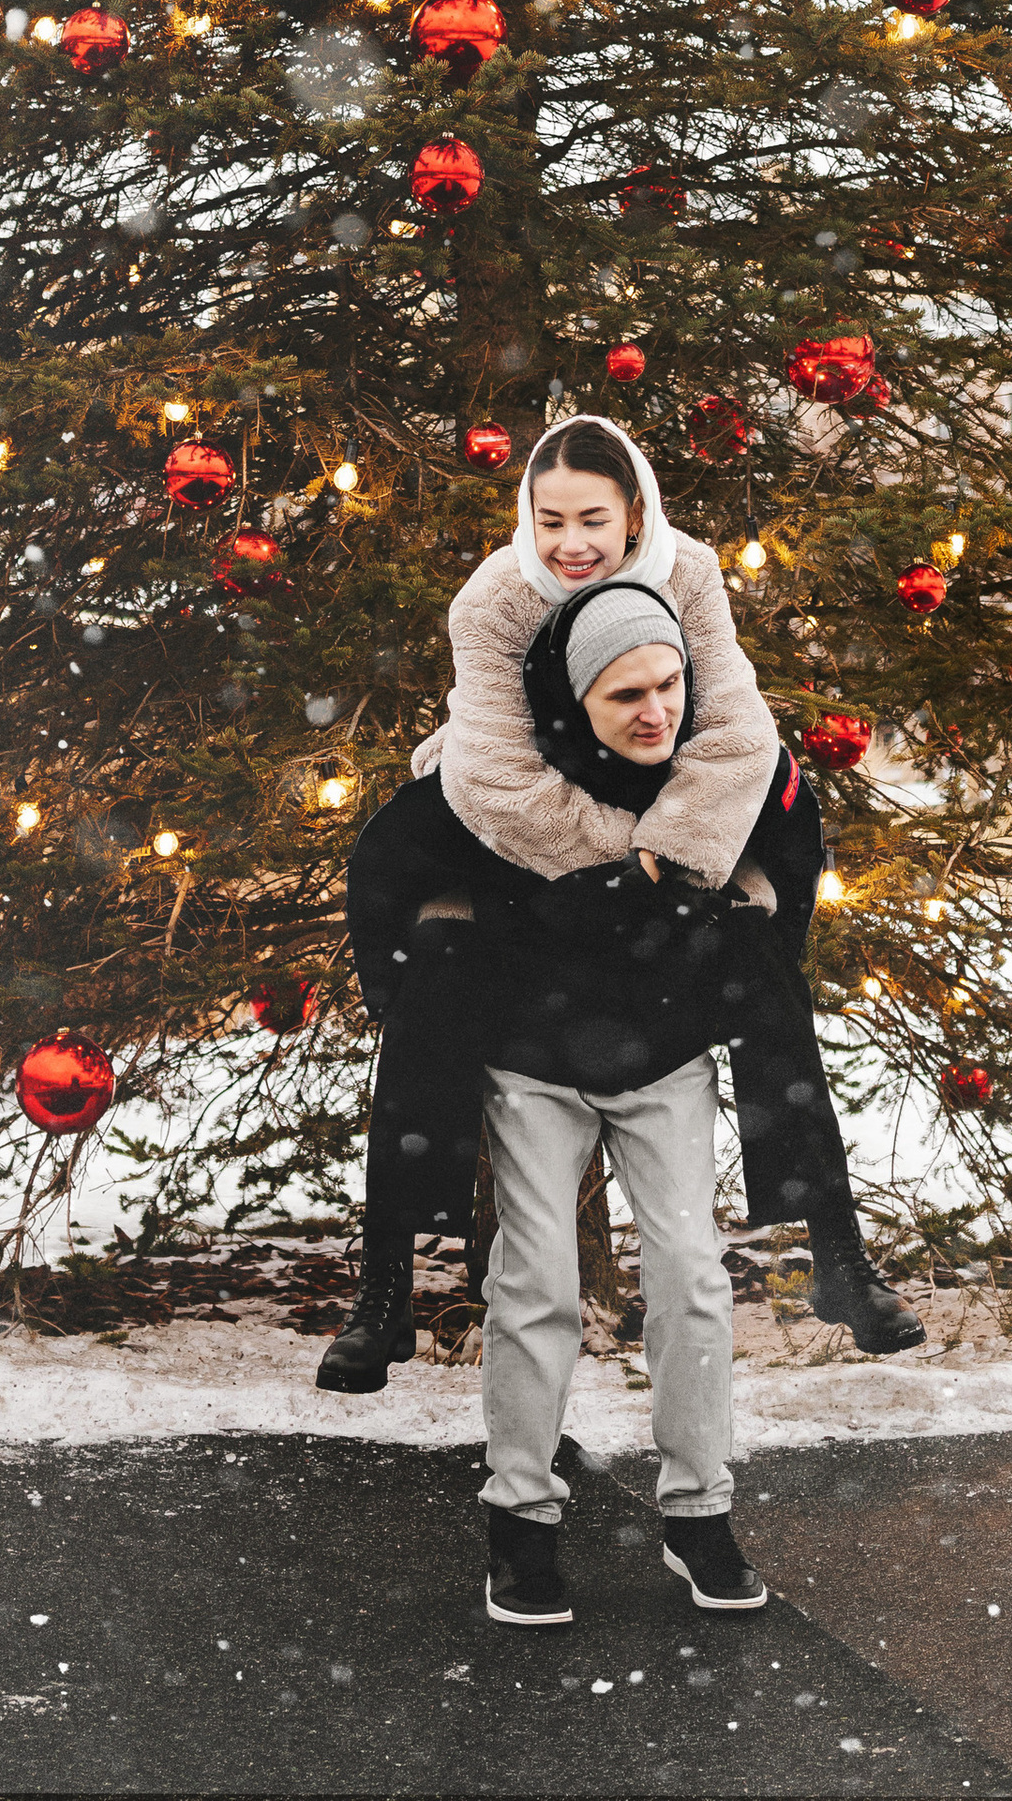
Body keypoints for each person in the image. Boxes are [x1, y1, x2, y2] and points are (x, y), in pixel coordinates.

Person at [317, 415, 919, 1391]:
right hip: (520, 841)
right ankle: (384, 1293)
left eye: (591, 517)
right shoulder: (496, 601)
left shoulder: (687, 575)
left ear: (633, 510)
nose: (570, 543)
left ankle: (839, 1263)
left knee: (765, 963)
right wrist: (614, 879)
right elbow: (500, 781)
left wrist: (668, 866)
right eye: (549, 518)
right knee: (434, 970)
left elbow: (733, 736)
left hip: (665, 823)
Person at [343, 573, 802, 1626]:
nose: (654, 714)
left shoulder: (713, 771)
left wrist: (751, 916)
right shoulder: (496, 778)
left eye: (668, 687)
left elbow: (788, 857)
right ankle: (521, 1520)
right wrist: (420, 980)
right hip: (531, 1060)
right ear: (571, 703)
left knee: (690, 1273)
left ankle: (700, 1515)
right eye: (624, 696)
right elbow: (391, 878)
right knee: (536, 1281)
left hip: (664, 1055)